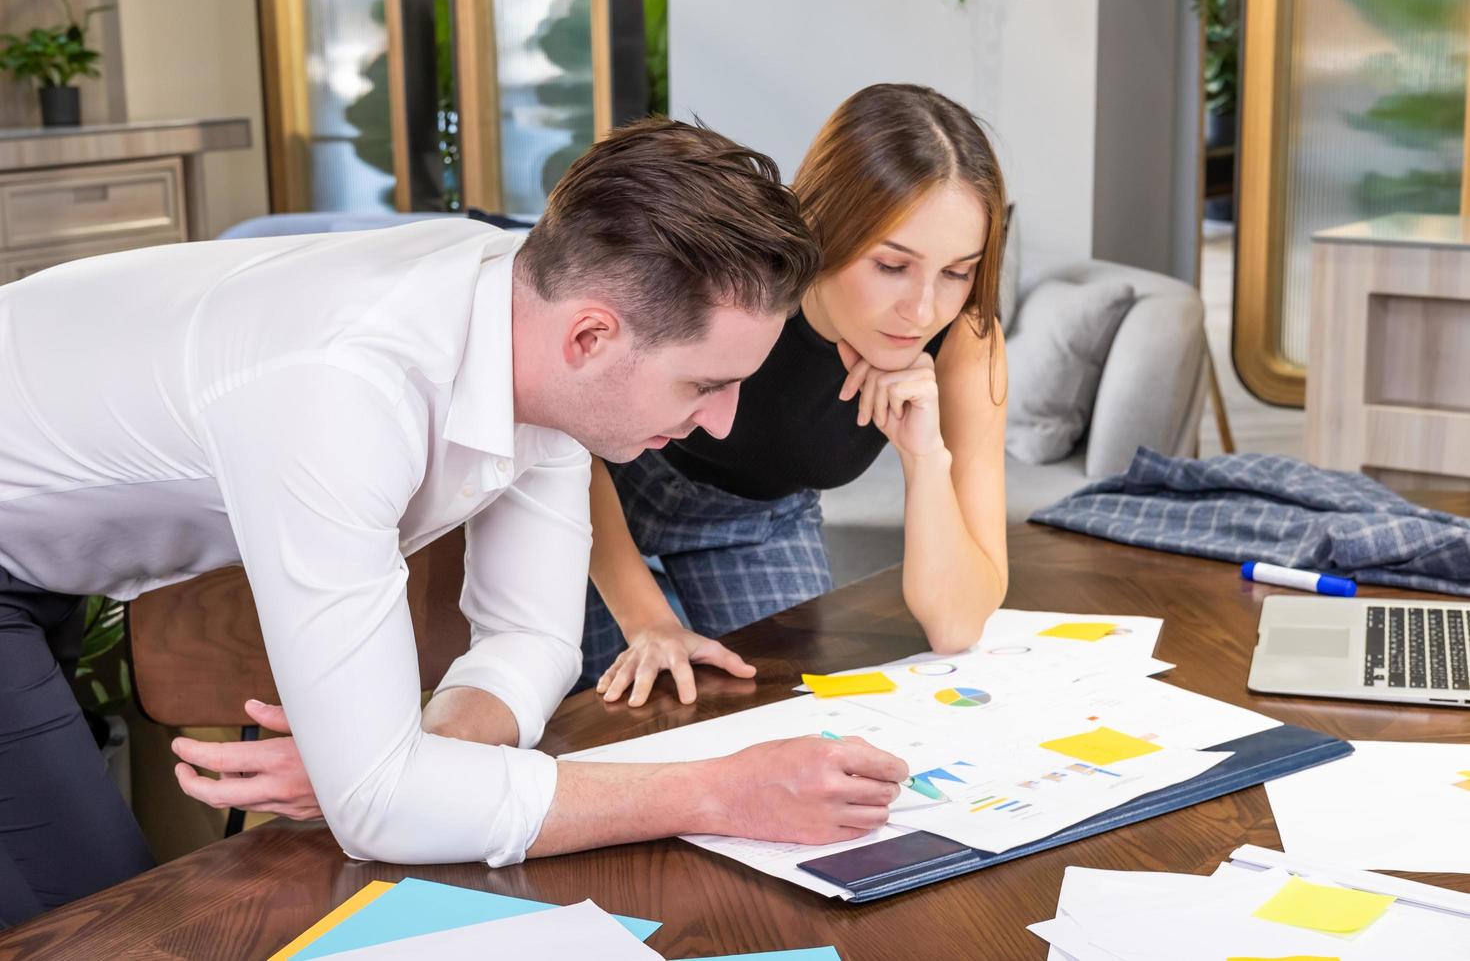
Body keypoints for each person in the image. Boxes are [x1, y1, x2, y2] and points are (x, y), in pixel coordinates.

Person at [0, 119, 910, 927]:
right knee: (100, 924)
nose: (721, 422)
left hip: (46, 543)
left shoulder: (535, 308)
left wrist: (406, 764)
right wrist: (718, 792)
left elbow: (534, 638)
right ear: (591, 339)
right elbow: (376, 814)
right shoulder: (340, 390)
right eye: (706, 383)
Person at [586, 84, 1010, 706]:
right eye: (891, 265)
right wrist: (647, 619)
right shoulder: (734, 271)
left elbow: (956, 625)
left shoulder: (964, 339)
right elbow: (567, 443)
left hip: (756, 522)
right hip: (600, 490)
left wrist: (926, 459)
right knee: (599, 712)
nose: (923, 310)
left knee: (787, 710)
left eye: (956, 272)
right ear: (827, 225)